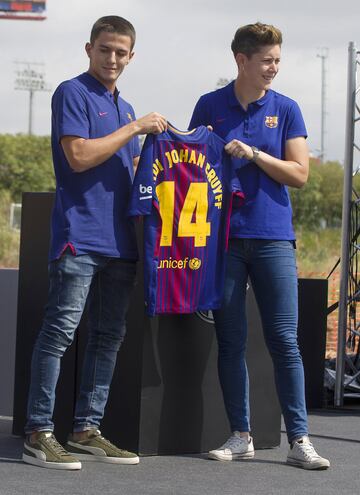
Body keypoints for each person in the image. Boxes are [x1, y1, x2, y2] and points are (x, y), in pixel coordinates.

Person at [22, 15, 167, 470]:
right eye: (105, 49)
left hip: (120, 242)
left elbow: (125, 171)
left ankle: (86, 429)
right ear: (90, 49)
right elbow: (79, 155)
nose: (113, 59)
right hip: (79, 237)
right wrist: (135, 129)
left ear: (131, 56)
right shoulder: (73, 92)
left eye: (121, 52)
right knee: (60, 334)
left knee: (108, 339)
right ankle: (37, 433)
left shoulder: (125, 109)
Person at [189, 22, 330, 470]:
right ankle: (241, 435)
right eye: (267, 60)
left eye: (277, 60)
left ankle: (300, 440)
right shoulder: (209, 105)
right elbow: (189, 164)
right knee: (231, 342)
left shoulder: (287, 108)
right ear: (241, 60)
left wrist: (254, 154)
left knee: (284, 341)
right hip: (224, 241)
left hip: (272, 238)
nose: (274, 68)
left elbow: (300, 174)